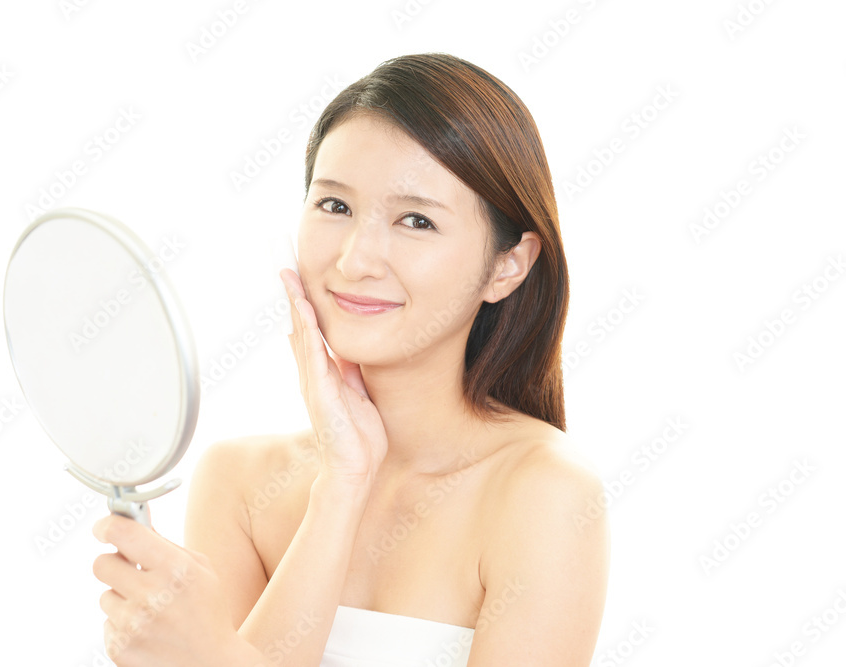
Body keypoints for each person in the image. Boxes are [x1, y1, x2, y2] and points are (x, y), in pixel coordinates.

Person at [91, 52, 610, 667]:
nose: (356, 259)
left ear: (508, 265)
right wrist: (342, 485)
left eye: (416, 220)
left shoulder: (545, 494)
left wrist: (214, 658)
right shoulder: (238, 483)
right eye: (335, 206)